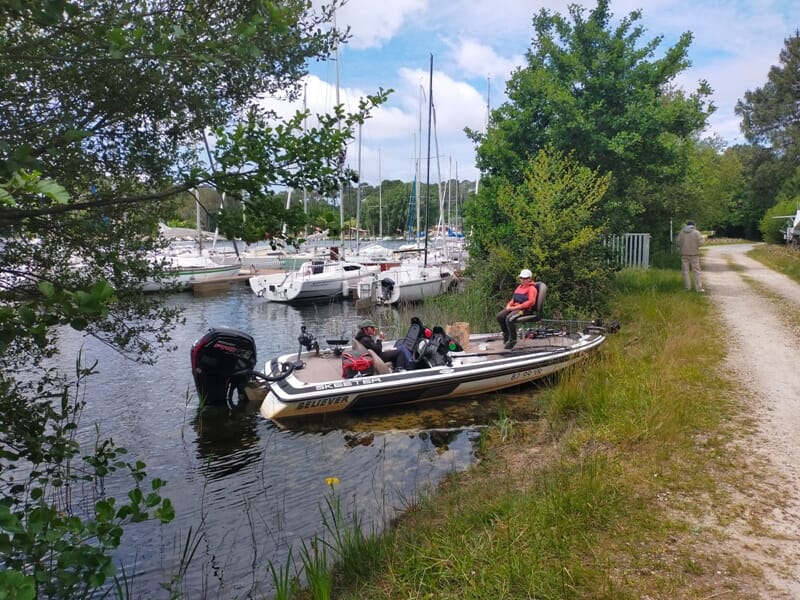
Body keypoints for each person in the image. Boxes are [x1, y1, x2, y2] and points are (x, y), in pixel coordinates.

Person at [496, 269, 538, 349]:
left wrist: (516, 307)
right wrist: (508, 306)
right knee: (500, 316)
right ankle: (507, 335)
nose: (523, 280)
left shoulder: (532, 289)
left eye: (525, 278)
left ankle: (513, 340)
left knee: (510, 318)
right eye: (521, 278)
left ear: (529, 279)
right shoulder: (519, 287)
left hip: (524, 310)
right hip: (515, 308)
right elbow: (514, 299)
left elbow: (531, 302)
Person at [677, 220, 705, 292]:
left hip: (684, 254)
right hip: (694, 254)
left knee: (685, 272)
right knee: (696, 271)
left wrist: (682, 247)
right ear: (694, 225)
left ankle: (687, 288)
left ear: (687, 225)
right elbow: (701, 243)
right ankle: (698, 288)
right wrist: (696, 246)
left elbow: (678, 243)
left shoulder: (681, 232)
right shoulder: (696, 232)